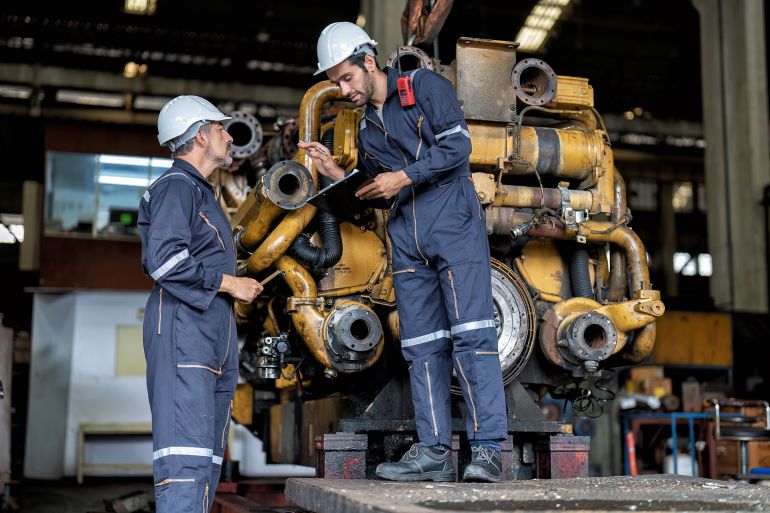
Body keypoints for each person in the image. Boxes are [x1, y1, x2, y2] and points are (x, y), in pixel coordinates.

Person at [298, 22, 507, 483]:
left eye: (346, 78)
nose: (343, 89)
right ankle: (433, 449)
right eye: (334, 82)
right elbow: (371, 189)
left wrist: (404, 177)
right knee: (420, 346)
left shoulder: (425, 87)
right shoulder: (367, 127)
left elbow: (458, 146)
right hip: (407, 238)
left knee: (472, 334)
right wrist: (334, 171)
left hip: (452, 224)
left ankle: (488, 448)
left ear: (368, 62)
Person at [138, 95, 262, 511]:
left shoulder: (201, 194)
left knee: (206, 463)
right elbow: (164, 262)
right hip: (184, 337)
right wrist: (231, 283)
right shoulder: (176, 188)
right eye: (220, 128)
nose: (230, 136)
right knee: (184, 462)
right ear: (198, 137)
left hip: (211, 340)